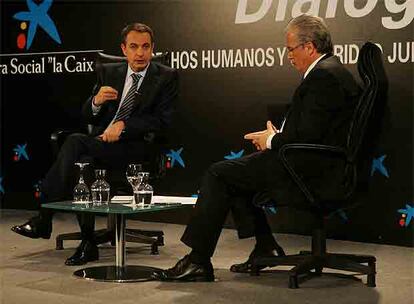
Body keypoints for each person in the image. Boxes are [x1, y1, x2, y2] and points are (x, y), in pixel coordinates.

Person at [155, 15, 360, 282]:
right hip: (315, 162)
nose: (288, 56)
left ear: (309, 47)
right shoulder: (333, 72)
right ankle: (265, 245)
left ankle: (198, 260)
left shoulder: (323, 78)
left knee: (220, 174)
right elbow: (316, 131)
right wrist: (276, 136)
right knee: (236, 174)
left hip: (310, 170)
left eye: (290, 49)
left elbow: (310, 137)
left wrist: (271, 141)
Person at [11, 23, 179, 266]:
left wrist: (125, 127)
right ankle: (88, 243)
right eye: (134, 47)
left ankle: (43, 218)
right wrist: (96, 102)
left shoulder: (166, 77)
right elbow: (88, 117)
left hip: (138, 148)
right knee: (85, 164)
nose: (140, 53)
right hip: (102, 145)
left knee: (75, 141)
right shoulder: (110, 73)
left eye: (145, 47)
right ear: (124, 49)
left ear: (153, 48)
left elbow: (164, 121)